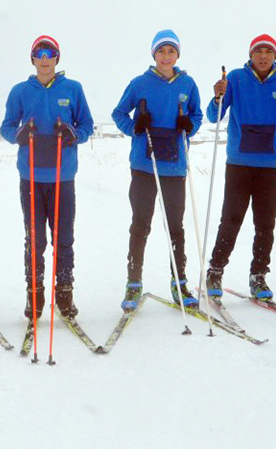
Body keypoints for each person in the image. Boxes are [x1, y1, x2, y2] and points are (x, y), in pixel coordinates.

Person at [204, 34, 276, 300]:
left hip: (270, 164)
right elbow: (213, 115)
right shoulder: (234, 77)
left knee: (265, 224)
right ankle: (215, 271)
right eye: (258, 51)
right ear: (251, 54)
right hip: (239, 163)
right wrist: (217, 95)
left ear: (275, 56)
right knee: (230, 220)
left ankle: (258, 276)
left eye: (268, 51)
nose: (263, 56)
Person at [0, 35, 94, 319]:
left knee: (63, 238)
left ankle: (64, 293)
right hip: (30, 177)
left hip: (62, 177)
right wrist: (16, 135)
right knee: (35, 239)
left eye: (49, 53)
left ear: (56, 58)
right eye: (39, 53)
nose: (44, 58)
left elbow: (87, 125)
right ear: (32, 59)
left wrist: (73, 134)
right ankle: (34, 294)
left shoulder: (73, 89)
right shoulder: (20, 91)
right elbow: (6, 127)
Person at [111, 30, 202, 311]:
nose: (166, 56)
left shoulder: (187, 83)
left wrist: (190, 125)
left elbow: (197, 115)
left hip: (174, 166)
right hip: (144, 164)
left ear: (177, 55)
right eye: (161, 51)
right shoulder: (139, 84)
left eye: (171, 51)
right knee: (141, 224)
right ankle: (134, 281)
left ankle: (179, 281)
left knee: (176, 226)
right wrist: (135, 128)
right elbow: (118, 113)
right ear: (154, 54)